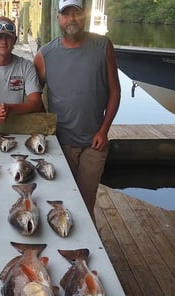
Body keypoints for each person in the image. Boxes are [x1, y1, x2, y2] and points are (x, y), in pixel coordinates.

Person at [33, 0, 121, 223]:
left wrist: (104, 130)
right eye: (66, 13)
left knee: (85, 201)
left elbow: (115, 91)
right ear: (58, 18)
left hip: (94, 143)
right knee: (59, 199)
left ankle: (87, 249)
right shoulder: (45, 54)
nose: (71, 18)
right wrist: (46, 127)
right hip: (61, 143)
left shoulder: (103, 46)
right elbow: (33, 97)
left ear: (85, 16)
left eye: (77, 13)